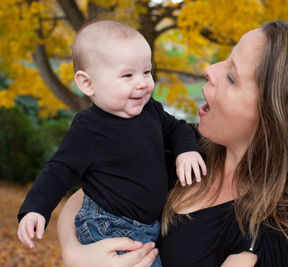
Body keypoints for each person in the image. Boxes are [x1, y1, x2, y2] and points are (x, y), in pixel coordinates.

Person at [57, 21, 288, 267]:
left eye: (233, 77)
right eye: (225, 59)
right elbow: (85, 199)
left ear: (273, 119)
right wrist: (75, 254)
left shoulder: (276, 240)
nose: (210, 70)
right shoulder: (185, 148)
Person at [17, 20, 206, 267]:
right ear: (88, 83)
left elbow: (179, 128)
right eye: (127, 75)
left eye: (147, 72)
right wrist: (35, 209)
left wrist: (187, 151)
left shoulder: (152, 111)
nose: (142, 83)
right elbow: (59, 170)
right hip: (109, 225)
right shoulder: (88, 128)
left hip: (149, 226)